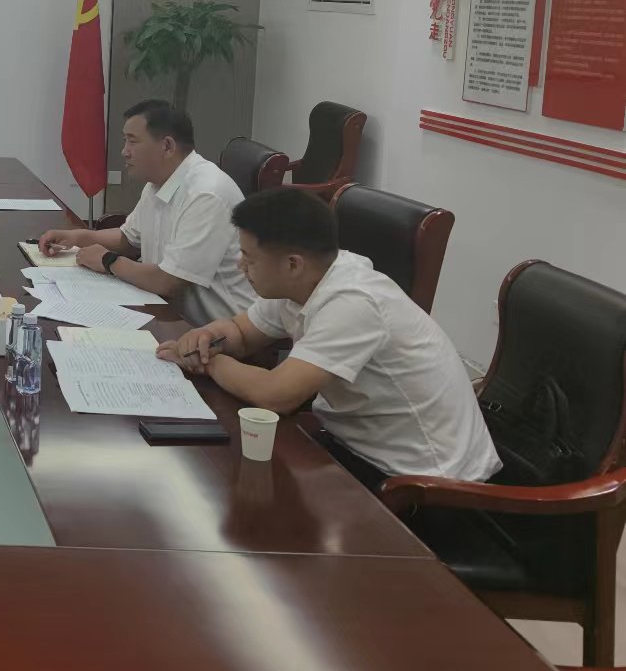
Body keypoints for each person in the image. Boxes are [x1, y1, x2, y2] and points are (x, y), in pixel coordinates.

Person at [157, 188, 500, 488]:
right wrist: (208, 336)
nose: (239, 266)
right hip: (352, 446)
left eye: (249, 258)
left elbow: (276, 395)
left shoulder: (353, 303)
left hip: (422, 480)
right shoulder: (303, 281)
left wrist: (210, 363)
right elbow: (242, 333)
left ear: (293, 264)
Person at [38, 99, 255, 325]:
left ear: (167, 146)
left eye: (132, 141)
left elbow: (168, 281)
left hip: (219, 330)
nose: (124, 152)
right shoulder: (158, 182)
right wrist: (78, 237)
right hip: (168, 313)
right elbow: (128, 239)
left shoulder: (206, 194)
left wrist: (108, 261)